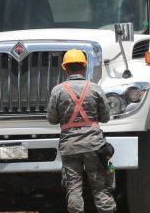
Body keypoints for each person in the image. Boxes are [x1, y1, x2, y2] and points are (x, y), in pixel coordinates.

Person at [47, 49, 116, 213]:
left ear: (65, 68)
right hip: (94, 145)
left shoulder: (57, 91)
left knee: (74, 189)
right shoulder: (95, 89)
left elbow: (52, 119)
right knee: (100, 187)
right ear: (84, 68)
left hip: (69, 147)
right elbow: (105, 118)